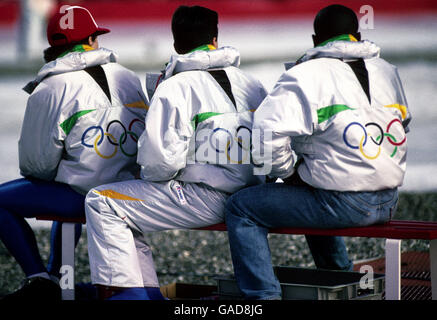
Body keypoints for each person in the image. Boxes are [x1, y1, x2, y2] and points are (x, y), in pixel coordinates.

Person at [224, 4, 411, 300]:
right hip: (389, 200)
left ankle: (263, 297)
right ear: (357, 36)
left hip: (344, 205)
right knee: (316, 180)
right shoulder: (387, 70)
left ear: (315, 39)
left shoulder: (306, 74)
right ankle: (340, 277)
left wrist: (287, 172)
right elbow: (404, 126)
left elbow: (266, 132)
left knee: (241, 207)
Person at [84, 5, 267, 300]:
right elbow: (270, 147)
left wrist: (166, 174)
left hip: (208, 198)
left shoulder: (176, 86)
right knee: (124, 204)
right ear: (216, 39)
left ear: (176, 45)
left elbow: (160, 164)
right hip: (255, 196)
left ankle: (130, 298)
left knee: (102, 201)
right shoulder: (253, 82)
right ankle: (147, 296)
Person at [0, 5, 148, 300]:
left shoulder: (51, 87)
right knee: (71, 177)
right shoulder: (129, 76)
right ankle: (57, 278)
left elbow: (36, 166)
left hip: (85, 197)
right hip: (134, 193)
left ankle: (40, 278)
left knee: (10, 198)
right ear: (93, 40)